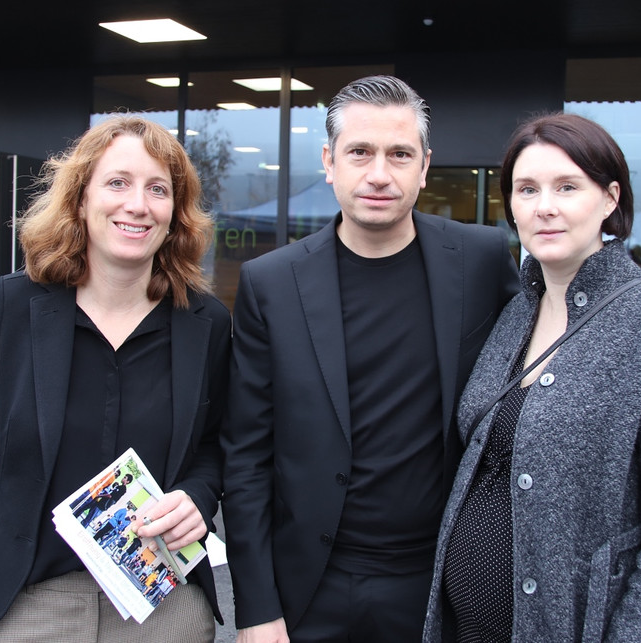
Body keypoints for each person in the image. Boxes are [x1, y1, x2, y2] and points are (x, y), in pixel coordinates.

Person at [0, 116, 231, 642]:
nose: (137, 204)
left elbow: (217, 445)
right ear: (80, 199)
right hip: (24, 603)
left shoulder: (206, 324)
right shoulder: (12, 308)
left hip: (162, 607)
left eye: (158, 189)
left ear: (175, 214)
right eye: (117, 182)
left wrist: (198, 495)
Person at [221, 75, 519, 643]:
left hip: (443, 583)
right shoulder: (271, 284)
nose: (379, 174)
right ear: (330, 162)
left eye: (399, 154)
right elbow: (246, 459)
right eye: (360, 152)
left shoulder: (479, 260)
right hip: (311, 588)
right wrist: (257, 609)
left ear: (424, 167)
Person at [422, 112, 641, 642]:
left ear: (610, 198)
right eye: (527, 189)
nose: (545, 206)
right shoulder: (515, 311)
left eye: (567, 186)